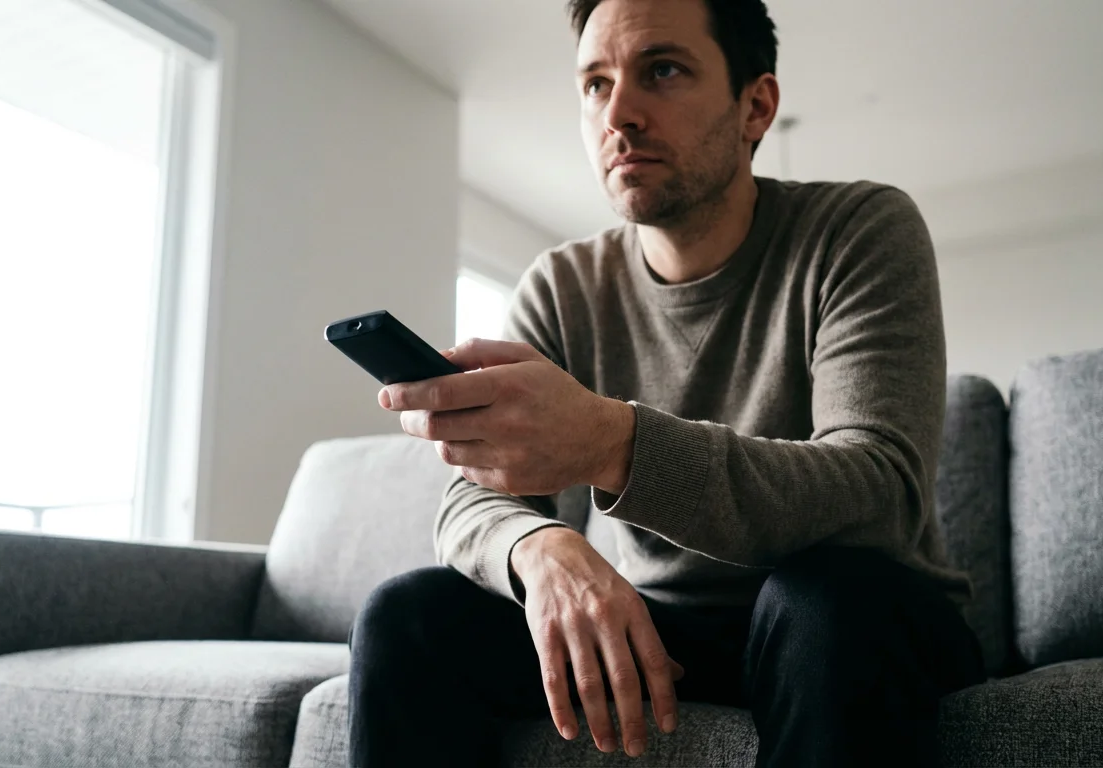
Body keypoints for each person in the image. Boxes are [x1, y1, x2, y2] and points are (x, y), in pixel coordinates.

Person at [346, 0, 985, 764]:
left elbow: (878, 491)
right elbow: (473, 500)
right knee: (406, 616)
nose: (618, 112)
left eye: (663, 71)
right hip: (662, 629)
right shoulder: (561, 286)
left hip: (852, 617)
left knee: (823, 600)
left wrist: (613, 443)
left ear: (756, 106)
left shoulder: (857, 229)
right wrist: (541, 547)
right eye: (595, 83)